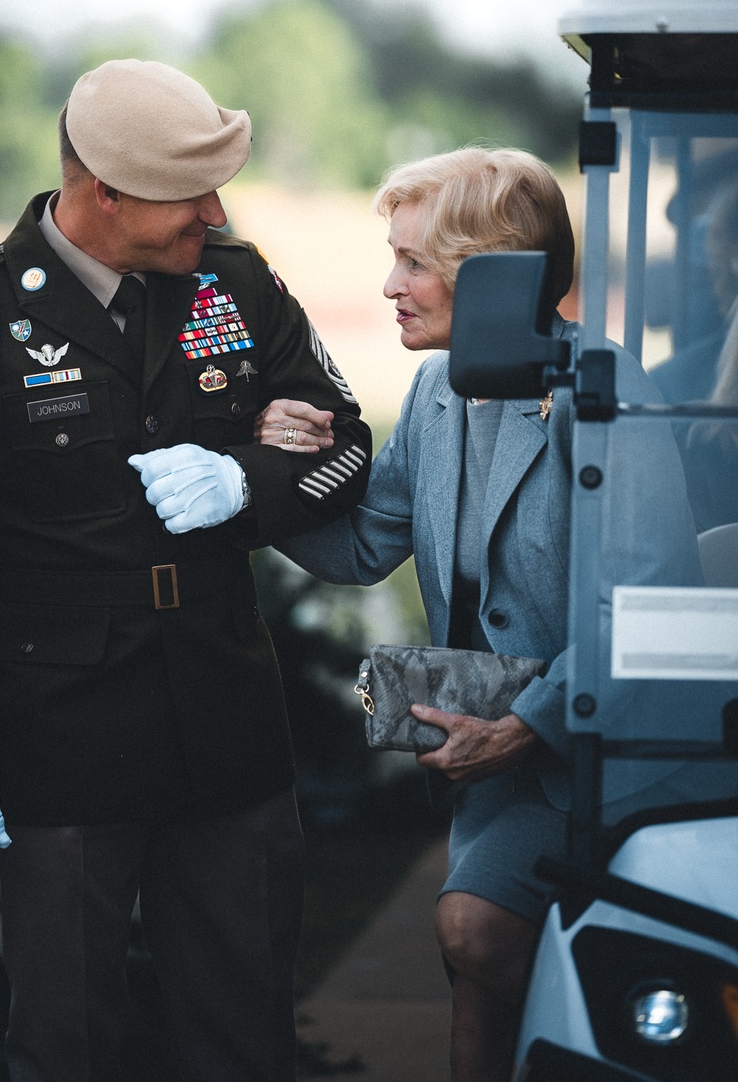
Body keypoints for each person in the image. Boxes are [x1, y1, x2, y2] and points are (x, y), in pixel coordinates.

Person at [0, 58, 372, 1082]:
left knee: (242, 1036)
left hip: (226, 719)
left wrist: (246, 479)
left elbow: (345, 442)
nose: (215, 210)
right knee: (67, 1042)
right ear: (104, 189)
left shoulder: (233, 280)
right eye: (191, 191)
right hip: (61, 737)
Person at [252, 146, 704, 1082]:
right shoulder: (436, 391)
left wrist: (529, 726)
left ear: (496, 275)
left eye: (413, 261)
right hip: (494, 765)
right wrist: (263, 471)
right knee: (472, 981)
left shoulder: (608, 395)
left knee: (473, 928)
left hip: (609, 764)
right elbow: (360, 547)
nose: (389, 284)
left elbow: (651, 604)